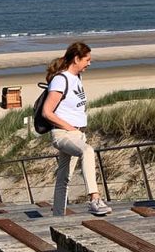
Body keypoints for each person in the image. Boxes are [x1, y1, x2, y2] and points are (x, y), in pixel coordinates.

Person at [42, 41, 112, 216]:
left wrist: (78, 131)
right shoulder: (60, 80)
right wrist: (71, 128)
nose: (89, 63)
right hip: (63, 134)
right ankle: (95, 199)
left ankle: (57, 215)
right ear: (76, 59)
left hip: (77, 134)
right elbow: (47, 112)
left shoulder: (77, 78)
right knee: (87, 151)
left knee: (64, 178)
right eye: (87, 59)